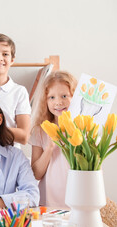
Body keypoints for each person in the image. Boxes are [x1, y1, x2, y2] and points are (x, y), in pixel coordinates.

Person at [29, 71, 77, 207]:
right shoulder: (39, 131)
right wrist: (49, 148)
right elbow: (36, 174)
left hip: (75, 199)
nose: (58, 102)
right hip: (48, 201)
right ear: (45, 101)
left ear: (75, 97)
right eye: (51, 97)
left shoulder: (83, 129)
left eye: (64, 96)